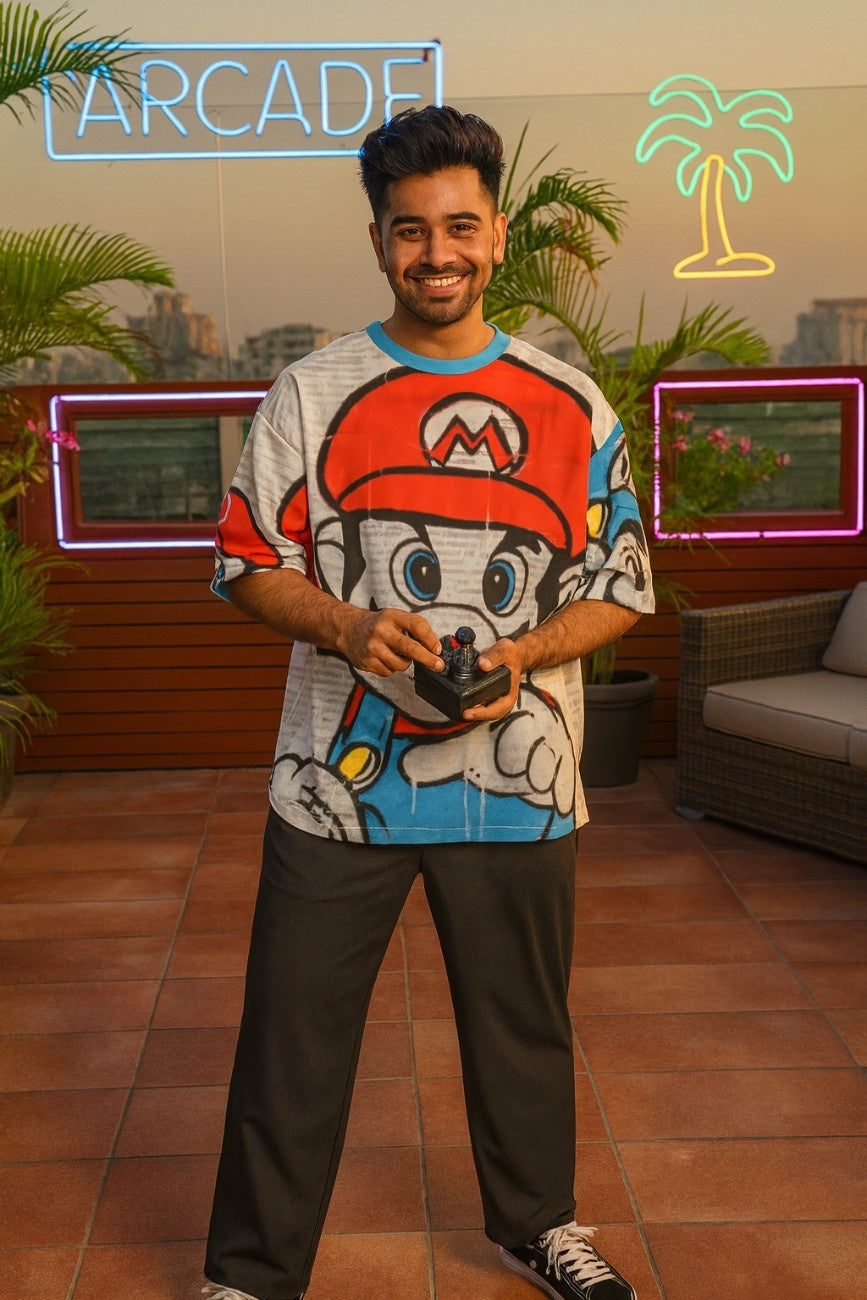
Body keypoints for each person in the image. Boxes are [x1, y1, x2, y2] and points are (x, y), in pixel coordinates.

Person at [203, 105, 652, 1300]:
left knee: (522, 1025)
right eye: (411, 231)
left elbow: (621, 585)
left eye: (460, 226)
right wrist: (353, 623)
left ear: (497, 235)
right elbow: (247, 562)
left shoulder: (570, 403)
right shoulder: (312, 390)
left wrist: (524, 653)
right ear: (377, 241)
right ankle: (250, 1272)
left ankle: (539, 1222)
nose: (436, 253)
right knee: (291, 1033)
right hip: (334, 789)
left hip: (523, 779)